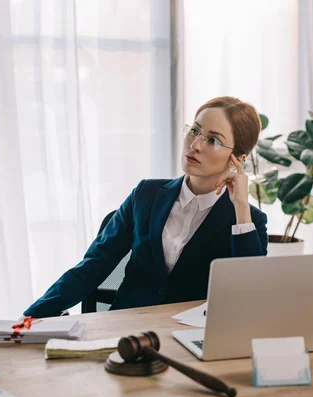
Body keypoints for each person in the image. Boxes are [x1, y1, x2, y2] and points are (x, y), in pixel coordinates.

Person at [24, 96, 268, 318]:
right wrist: (31, 317)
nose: (195, 145)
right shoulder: (146, 195)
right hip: (126, 330)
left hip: (191, 339)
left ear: (238, 157)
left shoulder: (248, 221)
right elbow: (94, 264)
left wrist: (240, 207)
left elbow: (248, 295)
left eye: (213, 140)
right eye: (195, 131)